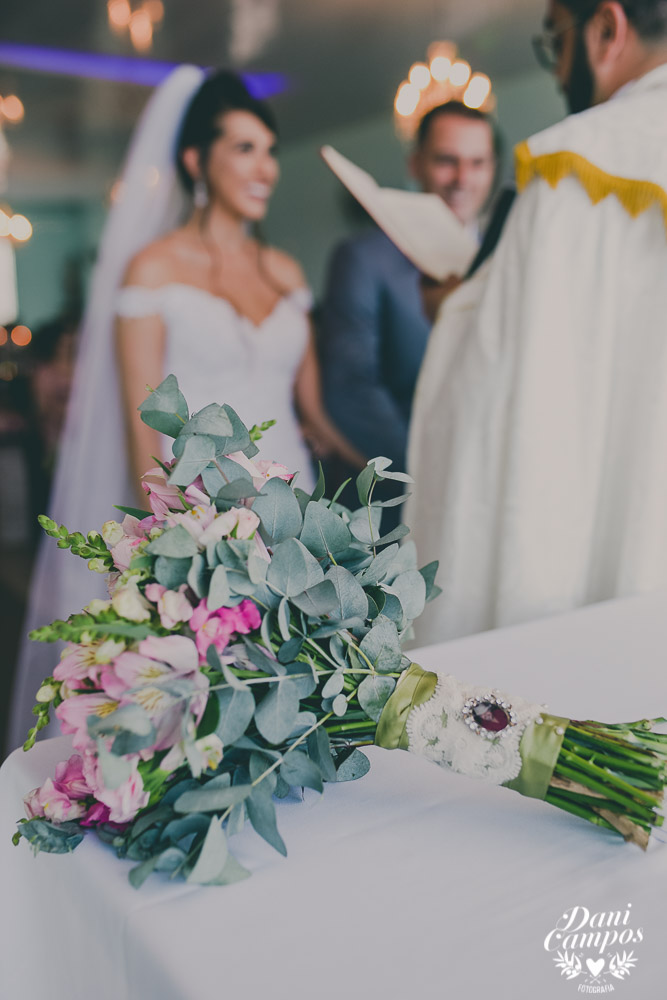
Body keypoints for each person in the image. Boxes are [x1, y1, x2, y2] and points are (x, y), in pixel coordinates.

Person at [9, 67, 360, 752]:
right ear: (197, 160)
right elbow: (148, 426)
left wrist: (386, 477)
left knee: (300, 697)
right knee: (211, 712)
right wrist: (174, 549)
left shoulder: (285, 272)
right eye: (243, 149)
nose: (265, 168)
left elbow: (312, 414)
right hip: (204, 522)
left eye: (268, 149)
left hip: (299, 514)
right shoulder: (152, 271)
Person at [407, 0, 667, 646]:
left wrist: (452, 312)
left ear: (605, 30)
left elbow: (494, 387)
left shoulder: (572, 164)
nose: (557, 72)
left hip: (572, 574)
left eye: (556, 41)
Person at [318, 102, 498, 525]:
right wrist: (430, 472)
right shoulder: (362, 258)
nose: (462, 179)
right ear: (415, 164)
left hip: (493, 491)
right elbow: (352, 386)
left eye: (477, 163)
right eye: (446, 161)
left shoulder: (506, 256)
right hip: (398, 499)